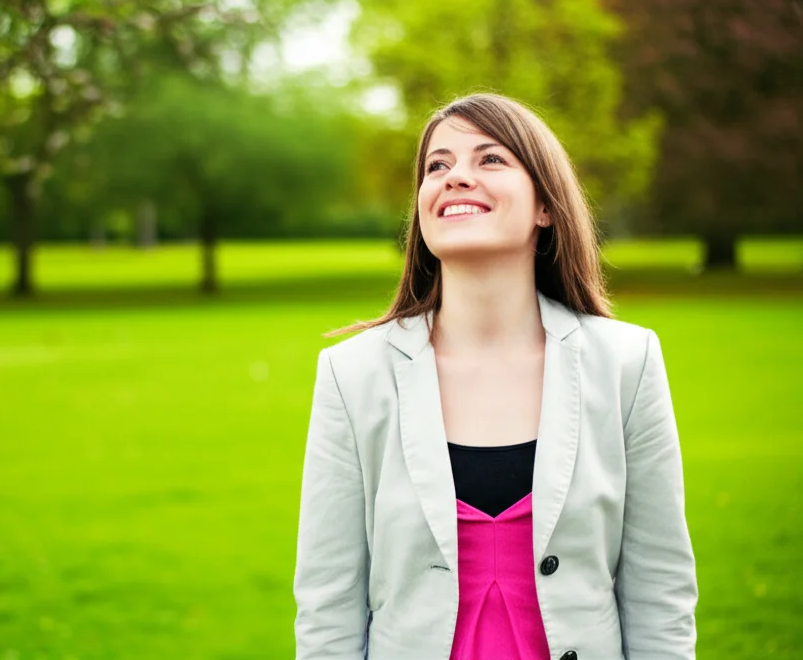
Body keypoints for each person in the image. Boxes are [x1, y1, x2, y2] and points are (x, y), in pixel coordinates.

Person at [292, 93, 698, 660]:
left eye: (490, 159)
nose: (456, 177)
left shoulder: (627, 363)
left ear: (545, 206)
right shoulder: (352, 373)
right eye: (438, 165)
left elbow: (660, 594)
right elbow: (327, 606)